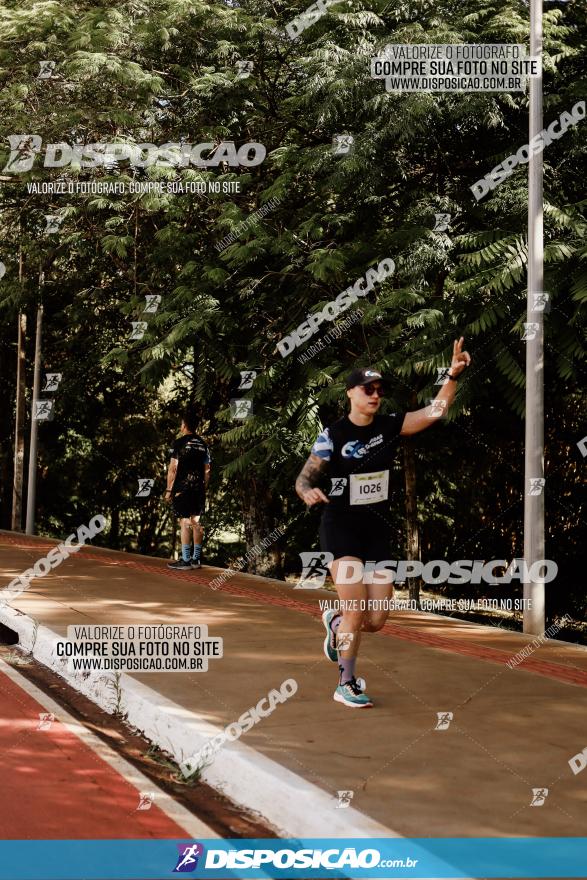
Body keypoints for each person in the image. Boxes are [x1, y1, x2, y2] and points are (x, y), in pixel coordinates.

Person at [295, 337, 471, 708]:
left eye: (379, 390)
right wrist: (307, 491)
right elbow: (303, 478)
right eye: (368, 389)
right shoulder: (333, 436)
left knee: (374, 620)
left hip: (376, 530)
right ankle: (346, 681)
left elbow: (434, 411)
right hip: (340, 526)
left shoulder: (391, 426)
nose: (375, 395)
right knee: (357, 611)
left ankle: (335, 622)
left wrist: (452, 374)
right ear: (350, 394)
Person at [165, 410, 211, 570]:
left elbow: (173, 469)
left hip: (182, 488)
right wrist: (202, 487)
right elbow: (207, 471)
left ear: (184, 425)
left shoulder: (178, 443)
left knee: (184, 522)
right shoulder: (203, 444)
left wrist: (169, 490)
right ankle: (196, 559)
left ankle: (185, 560)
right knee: (196, 522)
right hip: (198, 489)